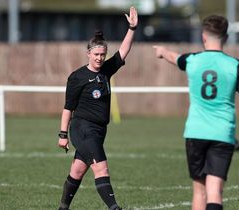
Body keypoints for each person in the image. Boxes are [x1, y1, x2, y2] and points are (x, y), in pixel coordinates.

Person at [153, 15, 239, 210]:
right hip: (222, 133)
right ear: (225, 37)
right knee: (215, 191)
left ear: (203, 37)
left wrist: (163, 52)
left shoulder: (193, 61)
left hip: (196, 132)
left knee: (199, 191)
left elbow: (175, 58)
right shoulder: (235, 65)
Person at [57, 7, 138, 210]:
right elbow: (68, 107)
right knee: (101, 168)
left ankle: (62, 208)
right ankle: (115, 207)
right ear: (88, 53)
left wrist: (132, 28)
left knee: (77, 171)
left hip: (99, 130)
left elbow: (123, 51)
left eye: (102, 54)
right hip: (83, 129)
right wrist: (62, 134)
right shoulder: (77, 77)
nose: (100, 58)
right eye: (96, 54)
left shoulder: (106, 71)